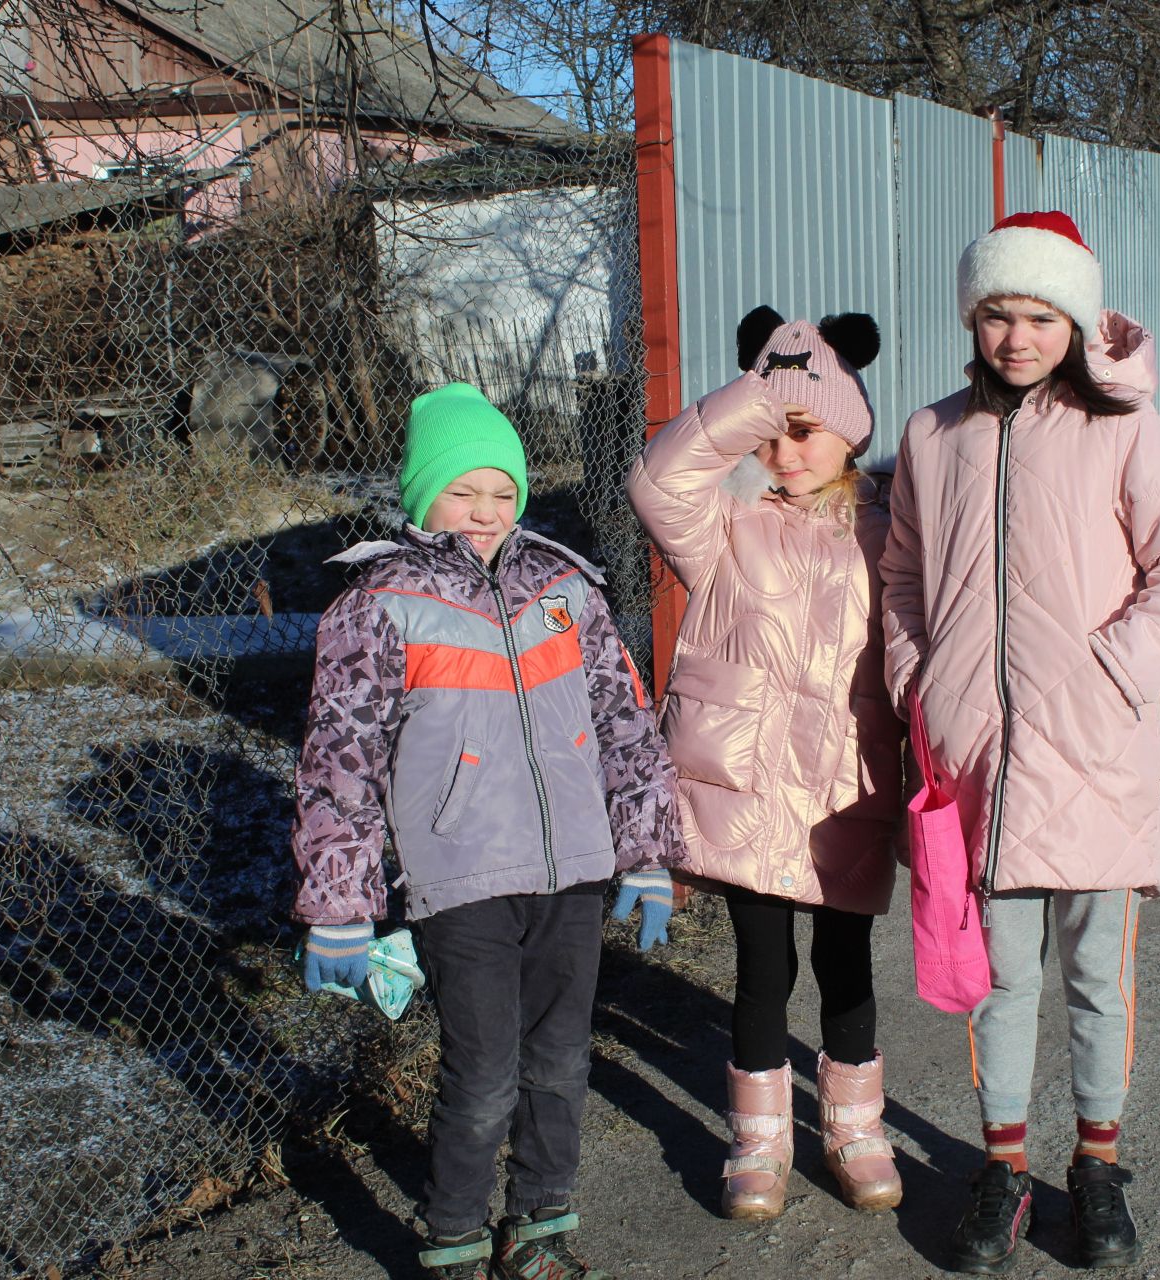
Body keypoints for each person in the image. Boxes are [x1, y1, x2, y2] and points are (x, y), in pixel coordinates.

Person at [881, 211, 1160, 1274]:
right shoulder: (931, 434)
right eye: (998, 315)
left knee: (1095, 977)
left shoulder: (1122, 427)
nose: (1017, 337)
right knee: (996, 979)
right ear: (971, 320)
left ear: (1074, 321)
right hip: (975, 760)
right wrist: (918, 683)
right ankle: (1003, 1167)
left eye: (1040, 316)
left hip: (1094, 752)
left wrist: (1113, 672)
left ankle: (1099, 1164)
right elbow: (903, 577)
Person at [292, 382, 681, 1280]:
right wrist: (340, 903)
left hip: (572, 872)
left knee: (561, 1063)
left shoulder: (564, 589)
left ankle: (540, 1228)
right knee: (482, 1075)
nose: (486, 511)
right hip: (461, 878)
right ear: (421, 496)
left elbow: (624, 724)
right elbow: (339, 761)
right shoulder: (380, 603)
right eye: (463, 491)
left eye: (503, 492)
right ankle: (455, 1239)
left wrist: (646, 853)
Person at [626, 306, 907, 1222]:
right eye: (771, 435)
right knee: (761, 967)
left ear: (850, 430)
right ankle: (759, 1138)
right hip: (745, 789)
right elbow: (658, 479)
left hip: (844, 785)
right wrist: (761, 394)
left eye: (807, 431)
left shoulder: (889, 529)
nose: (786, 453)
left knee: (845, 962)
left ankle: (855, 1129)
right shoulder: (726, 524)